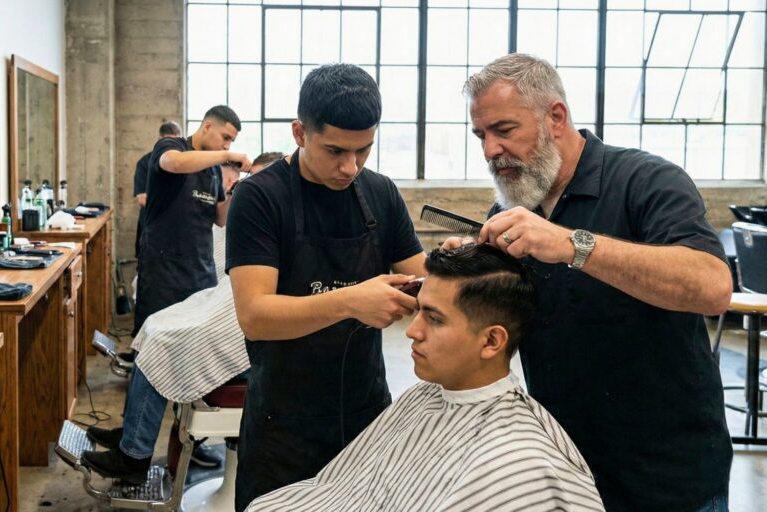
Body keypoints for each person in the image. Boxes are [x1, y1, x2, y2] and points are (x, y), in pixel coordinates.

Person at [446, 54, 732, 512]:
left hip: (667, 477)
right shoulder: (509, 211)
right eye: (481, 135)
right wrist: (466, 276)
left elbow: (712, 287)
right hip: (564, 471)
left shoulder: (647, 181)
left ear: (555, 117)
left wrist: (573, 245)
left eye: (504, 130)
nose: (489, 150)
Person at [247, 244, 605, 511]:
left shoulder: (521, 463)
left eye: (434, 318)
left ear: (492, 340)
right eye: (418, 313)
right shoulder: (424, 397)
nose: (411, 332)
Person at [226, 64, 425, 510]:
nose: (350, 167)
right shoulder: (259, 197)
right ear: (300, 132)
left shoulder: (380, 193)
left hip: (365, 411)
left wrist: (454, 264)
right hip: (284, 422)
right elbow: (256, 316)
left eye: (363, 150)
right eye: (335, 150)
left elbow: (422, 278)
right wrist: (352, 300)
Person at [81, 153, 281, 483]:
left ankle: (134, 454)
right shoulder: (261, 223)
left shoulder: (276, 228)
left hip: (257, 352)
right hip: (235, 324)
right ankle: (134, 437)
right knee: (157, 328)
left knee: (164, 341)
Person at [132, 105, 249, 339]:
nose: (227, 146)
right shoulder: (171, 147)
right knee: (154, 338)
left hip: (200, 270)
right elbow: (173, 163)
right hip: (163, 269)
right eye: (225, 138)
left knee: (191, 340)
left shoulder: (214, 171)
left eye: (231, 142)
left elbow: (219, 217)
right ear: (207, 126)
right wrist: (226, 156)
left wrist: (236, 194)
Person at [133, 120, 182, 259]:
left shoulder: (185, 163)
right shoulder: (145, 162)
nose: (172, 147)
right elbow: (142, 198)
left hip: (177, 227)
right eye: (168, 142)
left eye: (176, 141)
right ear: (160, 140)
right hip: (151, 223)